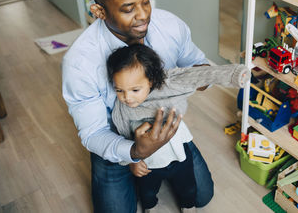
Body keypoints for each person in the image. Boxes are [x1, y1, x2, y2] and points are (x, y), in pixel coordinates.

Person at [62, 0, 214, 212]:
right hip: (117, 137)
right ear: (99, 11)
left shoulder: (169, 26)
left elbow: (197, 63)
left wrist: (203, 78)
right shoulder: (79, 63)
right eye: (128, 8)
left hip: (165, 127)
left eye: (145, 1)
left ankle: (160, 168)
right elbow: (93, 133)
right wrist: (134, 150)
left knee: (203, 197)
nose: (144, 15)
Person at [106, 44, 249, 212]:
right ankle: (150, 207)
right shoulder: (121, 110)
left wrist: (234, 74)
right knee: (147, 192)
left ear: (150, 80)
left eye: (135, 90)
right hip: (149, 164)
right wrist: (132, 161)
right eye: (119, 90)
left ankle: (188, 207)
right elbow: (123, 137)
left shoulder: (167, 84)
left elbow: (196, 76)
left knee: (189, 188)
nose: (127, 97)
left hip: (179, 156)